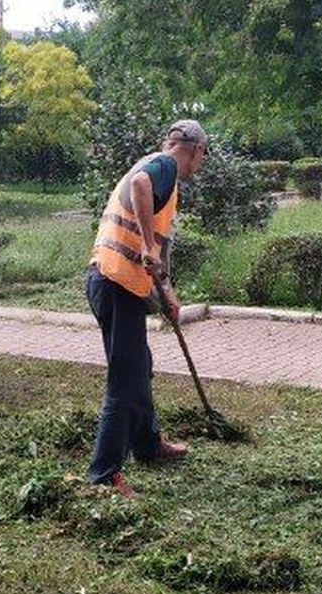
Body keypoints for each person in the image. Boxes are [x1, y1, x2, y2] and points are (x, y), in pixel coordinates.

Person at [86, 120, 208, 497]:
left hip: (115, 283)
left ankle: (148, 443)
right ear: (194, 149)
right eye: (201, 157)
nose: (197, 166)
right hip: (115, 284)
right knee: (125, 381)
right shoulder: (164, 165)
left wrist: (167, 296)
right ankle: (104, 475)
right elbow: (140, 186)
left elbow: (156, 250)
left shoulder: (164, 177)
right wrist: (148, 248)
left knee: (141, 367)